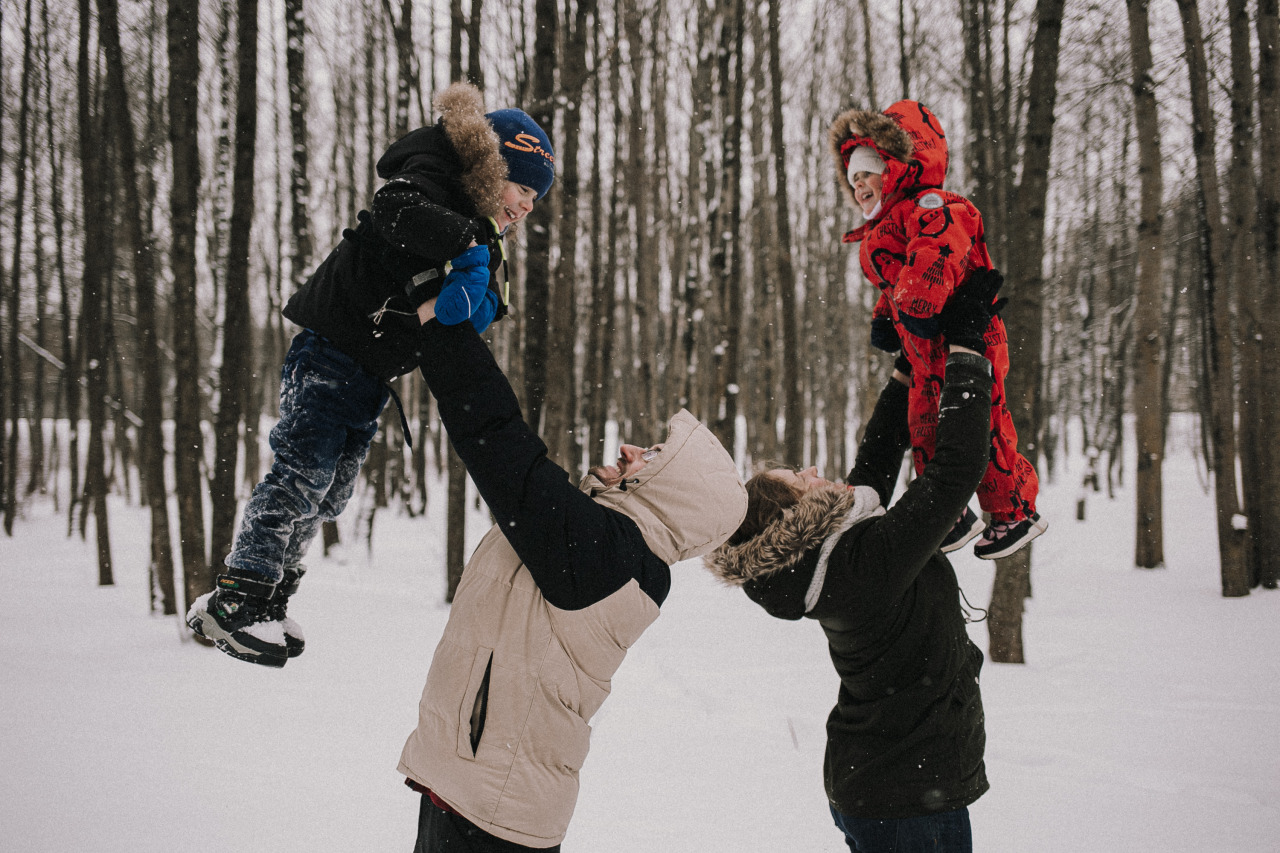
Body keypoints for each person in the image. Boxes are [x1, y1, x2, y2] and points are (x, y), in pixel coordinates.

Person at [187, 82, 556, 668]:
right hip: (330, 351)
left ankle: (273, 596)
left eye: (536, 199)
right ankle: (238, 594)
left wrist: (480, 285)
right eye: (523, 189)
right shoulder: (431, 179)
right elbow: (395, 210)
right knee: (303, 472)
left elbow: (459, 304)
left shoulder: (479, 226)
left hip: (369, 373)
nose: (528, 205)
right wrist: (466, 245)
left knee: (331, 492)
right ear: (494, 169)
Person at [398, 298, 748, 851]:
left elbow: (499, 442)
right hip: (475, 791)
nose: (630, 448)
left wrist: (442, 327)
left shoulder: (609, 556)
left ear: (679, 492)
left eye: (653, 454)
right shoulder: (612, 550)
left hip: (493, 811)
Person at [704, 270, 1006, 853]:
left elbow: (874, 467)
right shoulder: (859, 567)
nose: (814, 471)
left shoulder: (829, 562)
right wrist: (967, 349)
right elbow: (954, 473)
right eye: (800, 478)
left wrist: (906, 367)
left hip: (891, 787)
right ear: (795, 516)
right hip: (906, 800)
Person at [830, 99, 1045, 559]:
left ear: (896, 168)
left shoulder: (933, 206)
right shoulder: (885, 227)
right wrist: (886, 318)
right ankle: (950, 512)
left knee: (983, 428)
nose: (859, 183)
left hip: (968, 337)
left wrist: (916, 303)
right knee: (925, 424)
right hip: (923, 346)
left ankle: (1013, 511)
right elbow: (894, 282)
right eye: (852, 177)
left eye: (868, 171)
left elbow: (936, 253)